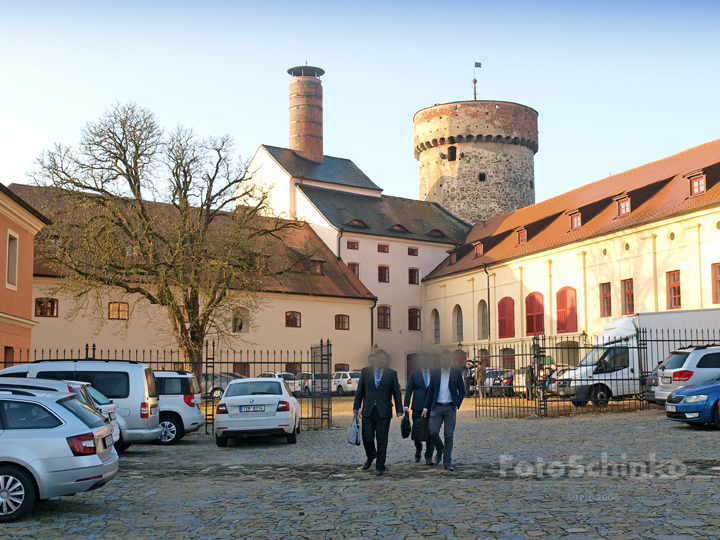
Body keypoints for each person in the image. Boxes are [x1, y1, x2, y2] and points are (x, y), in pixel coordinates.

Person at [353, 349, 403, 476]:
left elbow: (396, 392)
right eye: (380, 359)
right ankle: (371, 455)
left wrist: (399, 409)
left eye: (384, 359)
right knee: (367, 436)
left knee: (382, 439)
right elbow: (360, 390)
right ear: (375, 359)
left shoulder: (391, 374)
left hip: (384, 411)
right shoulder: (366, 372)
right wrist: (356, 406)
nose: (382, 361)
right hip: (368, 410)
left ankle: (380, 465)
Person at [422, 350, 465, 471]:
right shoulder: (435, 373)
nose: (445, 362)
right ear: (441, 360)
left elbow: (462, 391)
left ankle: (447, 462)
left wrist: (457, 403)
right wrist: (426, 407)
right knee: (433, 432)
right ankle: (440, 449)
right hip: (436, 407)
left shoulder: (456, 373)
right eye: (443, 359)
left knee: (449, 435)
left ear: (450, 360)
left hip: (450, 407)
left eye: (447, 359)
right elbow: (430, 391)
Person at [403, 352, 435, 465]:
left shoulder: (434, 373)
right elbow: (409, 390)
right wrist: (406, 406)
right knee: (417, 431)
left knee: (431, 432)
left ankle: (429, 456)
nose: (424, 362)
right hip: (417, 407)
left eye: (426, 360)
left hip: (431, 407)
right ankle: (418, 448)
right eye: (423, 360)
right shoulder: (414, 374)